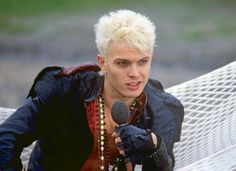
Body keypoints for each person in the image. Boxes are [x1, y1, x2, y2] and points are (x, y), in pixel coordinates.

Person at [0, 9, 184, 171]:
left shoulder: (162, 110)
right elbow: (5, 139)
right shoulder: (65, 89)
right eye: (122, 63)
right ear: (102, 62)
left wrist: (153, 146)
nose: (135, 73)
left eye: (143, 61)